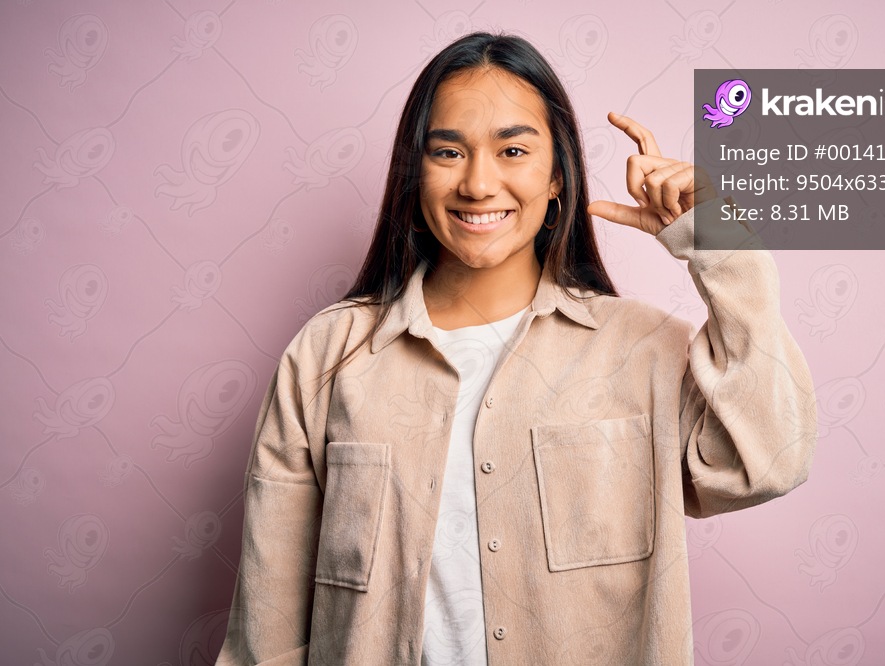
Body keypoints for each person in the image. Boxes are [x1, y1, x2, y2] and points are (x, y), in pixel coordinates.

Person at [216, 31, 816, 666]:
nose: (478, 183)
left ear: (557, 177)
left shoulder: (641, 349)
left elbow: (764, 464)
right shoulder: (326, 357)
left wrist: (722, 242)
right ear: (413, 173)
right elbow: (267, 620)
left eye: (512, 150)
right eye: (447, 151)